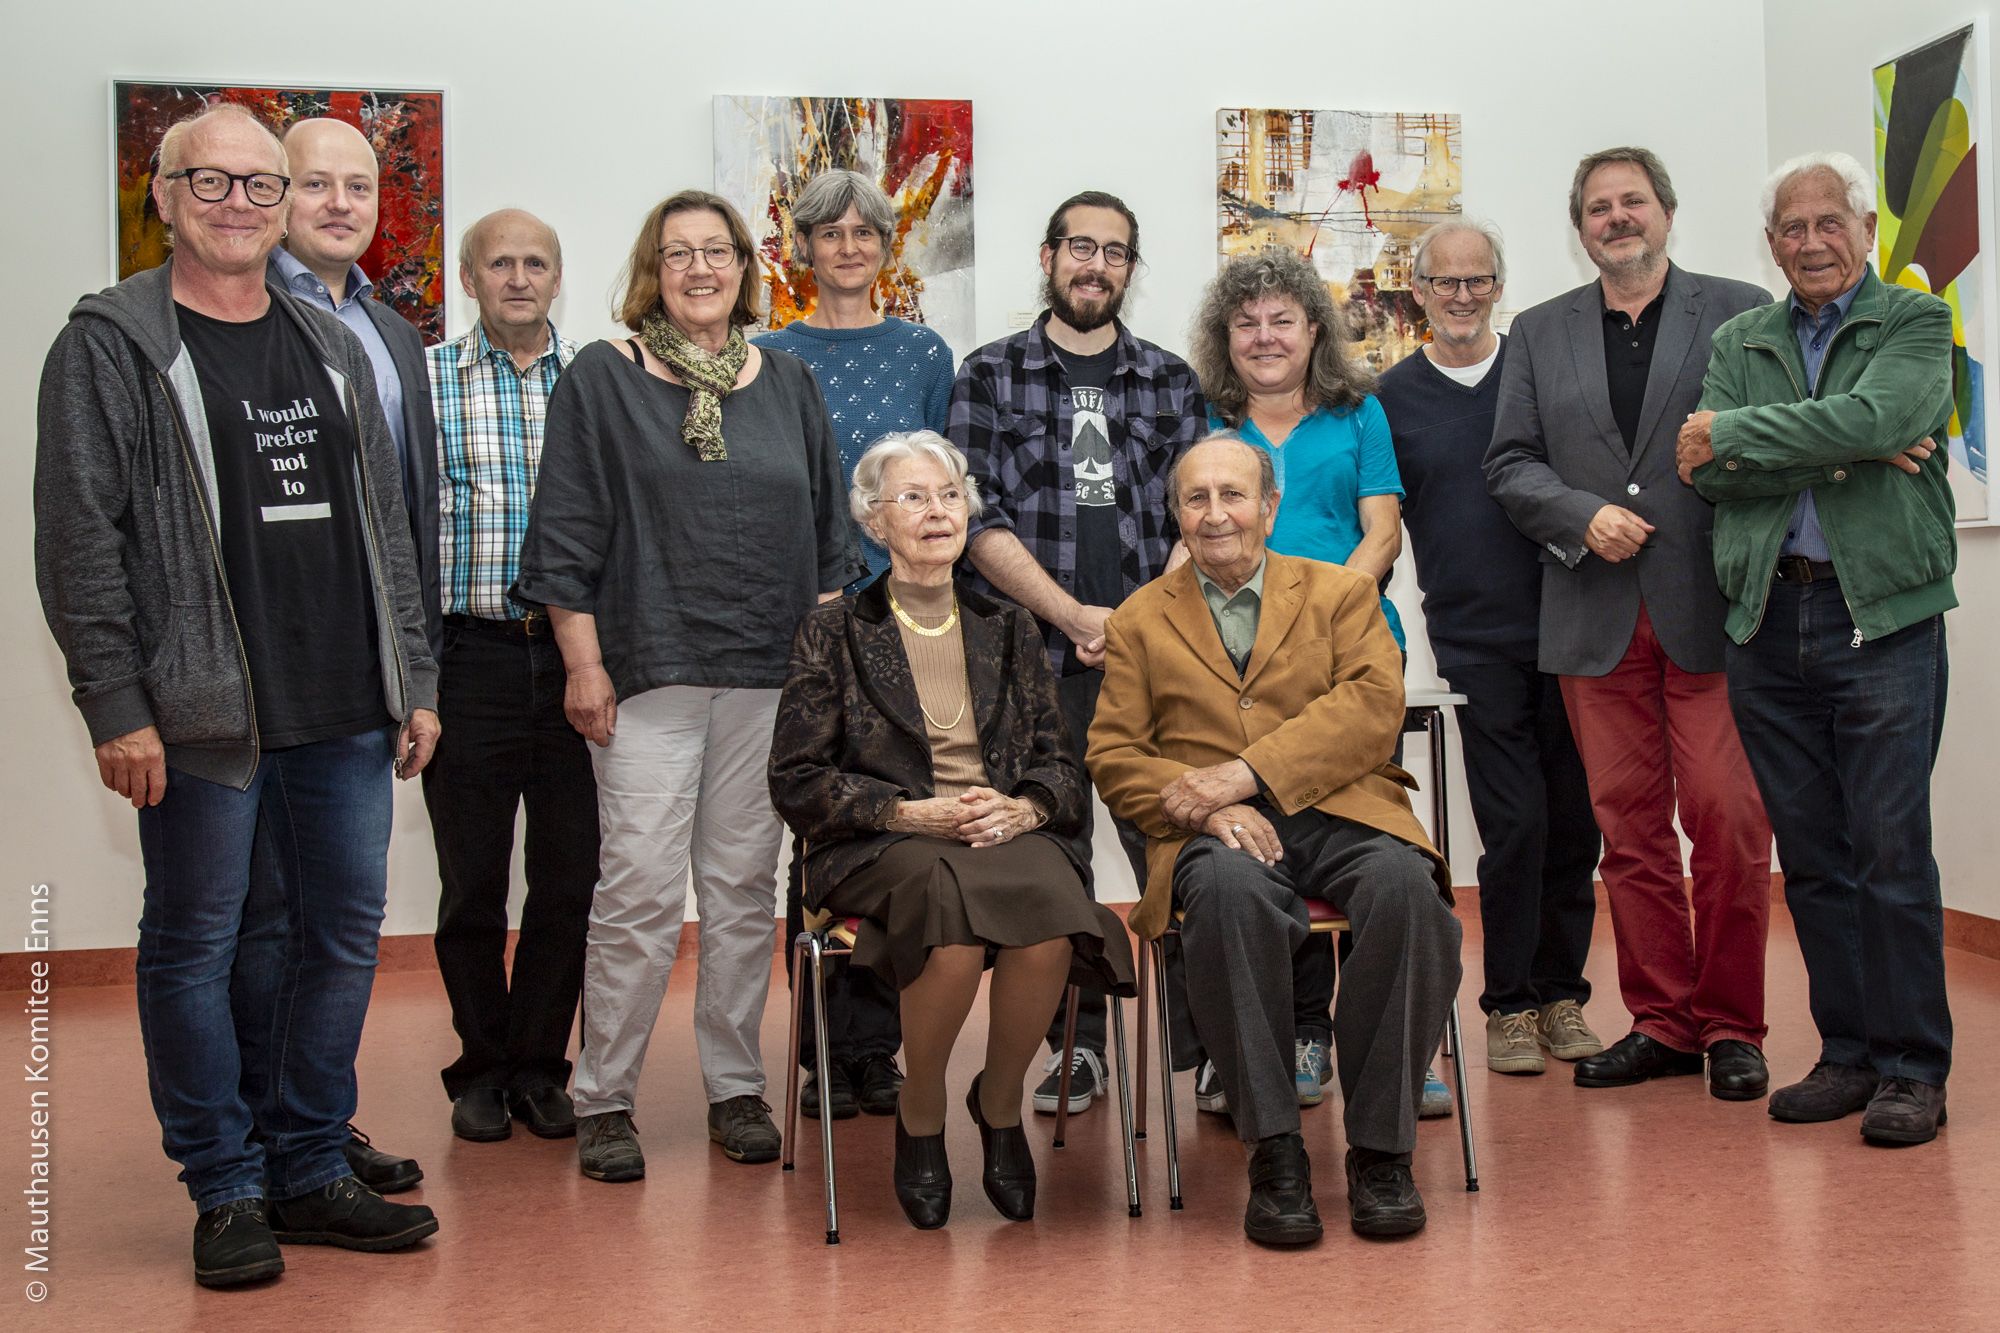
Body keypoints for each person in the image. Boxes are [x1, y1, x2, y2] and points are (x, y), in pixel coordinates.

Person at [34, 103, 440, 1288]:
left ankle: (310, 1162)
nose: (238, 205)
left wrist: (410, 675)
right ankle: (224, 1186)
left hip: (345, 703)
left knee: (336, 937)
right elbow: (78, 537)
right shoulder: (110, 344)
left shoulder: (324, 342)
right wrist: (114, 700)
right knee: (201, 939)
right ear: (161, 196)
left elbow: (388, 533)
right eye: (208, 182)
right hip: (203, 709)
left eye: (261, 187)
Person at [512, 189, 859, 1183]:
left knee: (746, 894)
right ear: (650, 269)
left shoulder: (787, 381)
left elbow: (828, 543)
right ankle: (605, 1097)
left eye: (718, 252)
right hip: (648, 675)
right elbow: (567, 532)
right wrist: (581, 663)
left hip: (769, 680)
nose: (700, 269)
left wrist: (826, 680)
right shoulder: (603, 378)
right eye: (678, 254)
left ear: (746, 267)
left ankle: (734, 1084)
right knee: (637, 894)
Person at [1088, 434, 1460, 1243]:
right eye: (1196, 498)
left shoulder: (1340, 593)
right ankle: (1276, 1150)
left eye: (1233, 494)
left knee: (1408, 892)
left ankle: (1382, 1150)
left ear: (1270, 505)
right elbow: (1113, 756)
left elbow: (1370, 707)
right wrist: (1205, 807)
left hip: (1344, 807)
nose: (1216, 513)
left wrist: (1244, 772)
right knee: (1224, 895)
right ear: (1174, 512)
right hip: (1217, 831)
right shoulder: (1140, 621)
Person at [769, 431, 1135, 1229]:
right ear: (874, 520)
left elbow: (1060, 763)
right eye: (913, 498)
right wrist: (905, 811)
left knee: (1051, 902)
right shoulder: (831, 631)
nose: (937, 511)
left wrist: (1026, 808)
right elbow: (795, 778)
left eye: (948, 495)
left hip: (996, 832)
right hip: (882, 841)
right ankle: (924, 1110)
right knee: (952, 921)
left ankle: (998, 1105)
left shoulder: (1007, 625)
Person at [1485, 146, 1776, 1101]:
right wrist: (1579, 515)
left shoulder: (1738, 308)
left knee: (1729, 822)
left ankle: (1733, 1022)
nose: (1618, 218)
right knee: (1632, 835)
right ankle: (1662, 1020)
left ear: (1667, 212)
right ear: (1581, 229)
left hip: (1716, 610)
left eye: (1634, 201)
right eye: (1600, 207)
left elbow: (1779, 434)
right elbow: (1511, 462)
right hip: (1591, 616)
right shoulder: (1536, 331)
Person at [1680, 152, 1957, 1144]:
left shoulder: (1914, 322)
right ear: (1769, 245)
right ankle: (1844, 1054)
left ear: (1864, 227)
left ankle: (1910, 1068)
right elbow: (1704, 475)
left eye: (1824, 222)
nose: (1807, 242)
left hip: (1878, 614)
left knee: (1889, 853)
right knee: (1811, 858)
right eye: (1788, 229)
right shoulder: (1741, 337)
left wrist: (1755, 436)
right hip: (1768, 616)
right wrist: (1846, 444)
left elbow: (1888, 412)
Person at [949, 189, 1208, 1115]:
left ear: (1131, 268)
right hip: (1030, 663)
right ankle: (1078, 1047)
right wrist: (1073, 616)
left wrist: (1130, 626)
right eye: (1079, 247)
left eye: (1115, 251)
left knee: (1176, 844)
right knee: (1055, 862)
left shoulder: (1173, 382)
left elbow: (1199, 513)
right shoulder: (989, 375)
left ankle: (1207, 1044)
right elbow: (974, 518)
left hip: (1154, 664)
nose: (1095, 265)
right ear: (1049, 256)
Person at [1188, 242, 1425, 1113]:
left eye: (1282, 319)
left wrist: (1316, 618)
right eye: (1246, 323)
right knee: (1260, 841)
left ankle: (1381, 1038)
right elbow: (1193, 535)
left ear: (1314, 329)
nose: (1264, 336)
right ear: (1226, 337)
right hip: (1234, 661)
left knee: (1358, 834)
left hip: (1350, 650)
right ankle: (1296, 1030)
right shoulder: (1207, 418)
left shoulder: (1358, 412)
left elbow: (1382, 532)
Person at [1379, 219, 1603, 1076]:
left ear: (1498, 286)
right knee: (1514, 823)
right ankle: (1509, 1002)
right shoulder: (1391, 398)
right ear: (1419, 293)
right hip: (1473, 636)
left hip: (1576, 623)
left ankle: (1562, 996)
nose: (1463, 296)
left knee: (1574, 820)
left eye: (1478, 280)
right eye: (1445, 282)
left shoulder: (1538, 370)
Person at [757, 168, 955, 1119]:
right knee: (828, 823)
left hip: (907, 615)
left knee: (900, 814)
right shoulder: (767, 354)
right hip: (807, 619)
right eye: (827, 233)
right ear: (802, 247)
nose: (846, 248)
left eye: (864, 234)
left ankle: (881, 1050)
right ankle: (823, 1056)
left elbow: (940, 483)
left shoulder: (924, 351)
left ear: (886, 248)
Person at [270, 115, 437, 1195]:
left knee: (344, 925)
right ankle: (260, 1147)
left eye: (358, 185)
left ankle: (314, 1131)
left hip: (366, 677)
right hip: (269, 677)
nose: (339, 203)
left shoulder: (387, 330)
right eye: (314, 183)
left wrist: (413, 677)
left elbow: (407, 516)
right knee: (259, 926)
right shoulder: (240, 316)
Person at [423, 209, 598, 1144]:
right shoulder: (426, 383)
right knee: (472, 884)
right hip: (470, 657)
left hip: (578, 662)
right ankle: (479, 1065)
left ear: (558, 276)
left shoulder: (599, 383)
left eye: (536, 262)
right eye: (501, 262)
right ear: (471, 276)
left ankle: (540, 1065)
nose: (519, 277)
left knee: (569, 877)